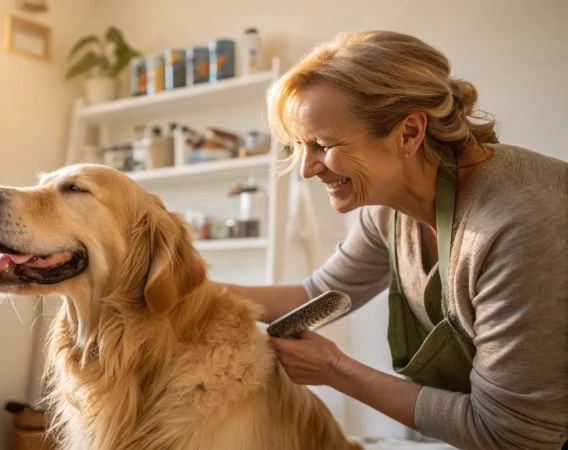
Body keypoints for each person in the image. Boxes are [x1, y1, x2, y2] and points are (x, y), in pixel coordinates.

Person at [224, 30, 568, 449]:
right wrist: (194, 293)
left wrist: (334, 368)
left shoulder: (515, 226)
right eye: (300, 146)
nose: (306, 170)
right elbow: (318, 295)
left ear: (408, 132)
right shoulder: (387, 212)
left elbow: (514, 434)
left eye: (324, 145)